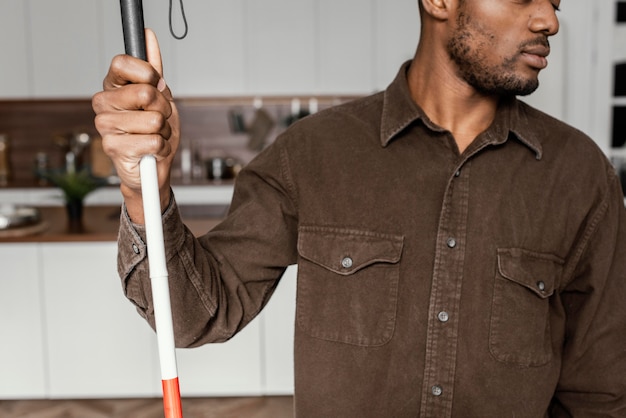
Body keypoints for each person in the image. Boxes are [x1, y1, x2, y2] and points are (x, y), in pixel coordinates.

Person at [92, 0, 626, 416]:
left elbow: (600, 392)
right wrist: (146, 191)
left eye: (556, 2)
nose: (550, 20)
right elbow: (194, 315)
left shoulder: (581, 177)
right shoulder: (312, 155)